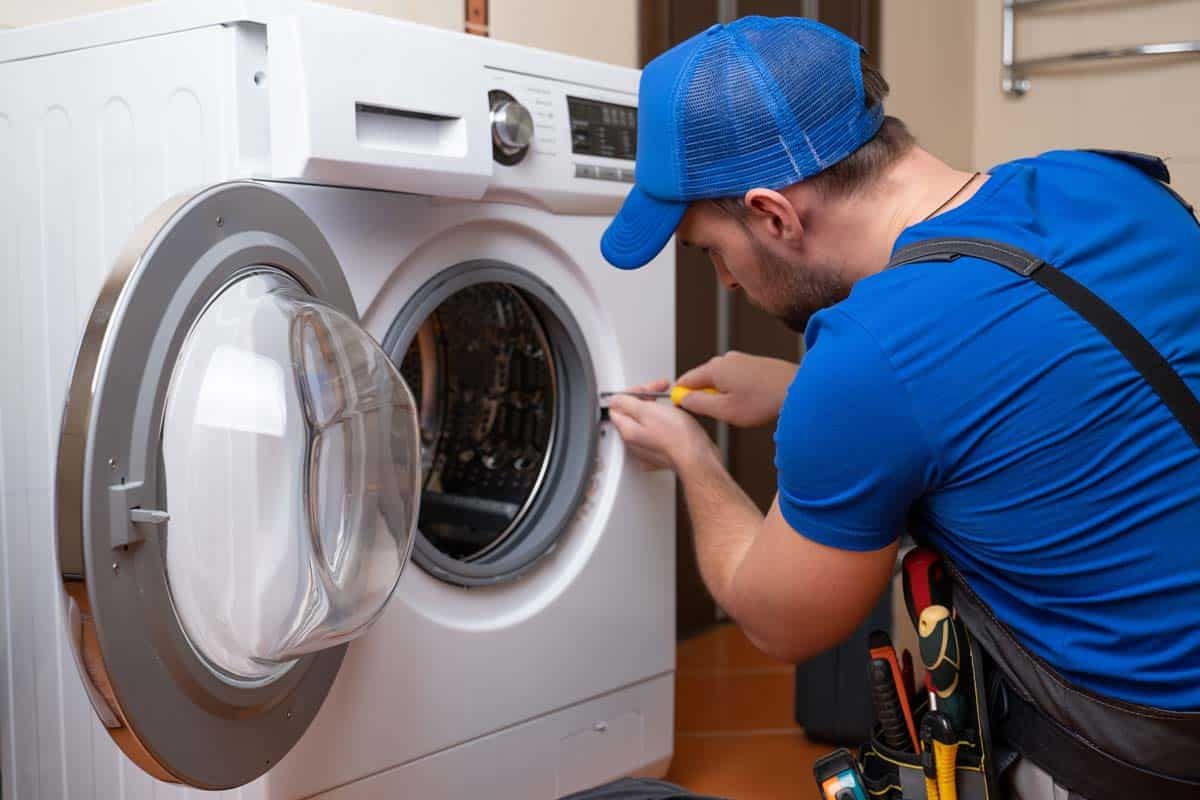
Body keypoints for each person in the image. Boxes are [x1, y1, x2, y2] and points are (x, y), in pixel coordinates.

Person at [599, 16, 1200, 800]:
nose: (726, 282)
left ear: (773, 214)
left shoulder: (866, 353)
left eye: (712, 248)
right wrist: (794, 391)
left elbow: (781, 622)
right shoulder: (1106, 183)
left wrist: (691, 456)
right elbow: (1057, 396)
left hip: (1139, 753)